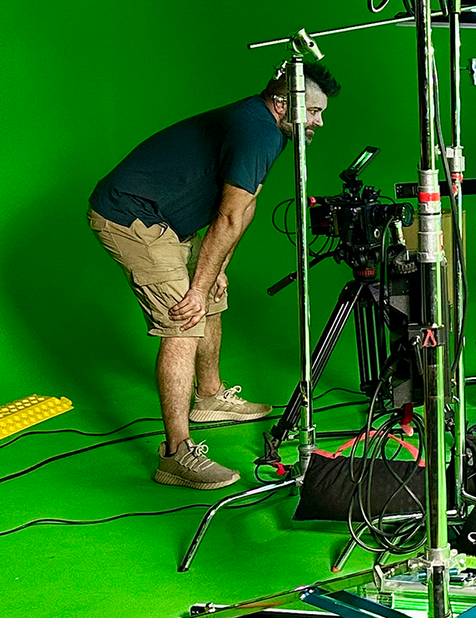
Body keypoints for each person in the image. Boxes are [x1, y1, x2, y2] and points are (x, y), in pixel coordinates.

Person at [88, 64, 338, 488]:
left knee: (211, 300)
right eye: (313, 111)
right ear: (282, 103)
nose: (319, 121)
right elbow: (226, 215)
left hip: (170, 220)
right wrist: (198, 286)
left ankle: (208, 397)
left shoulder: (276, 131)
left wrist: (217, 269)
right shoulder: (257, 130)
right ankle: (175, 454)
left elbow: (245, 204)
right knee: (184, 321)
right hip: (130, 216)